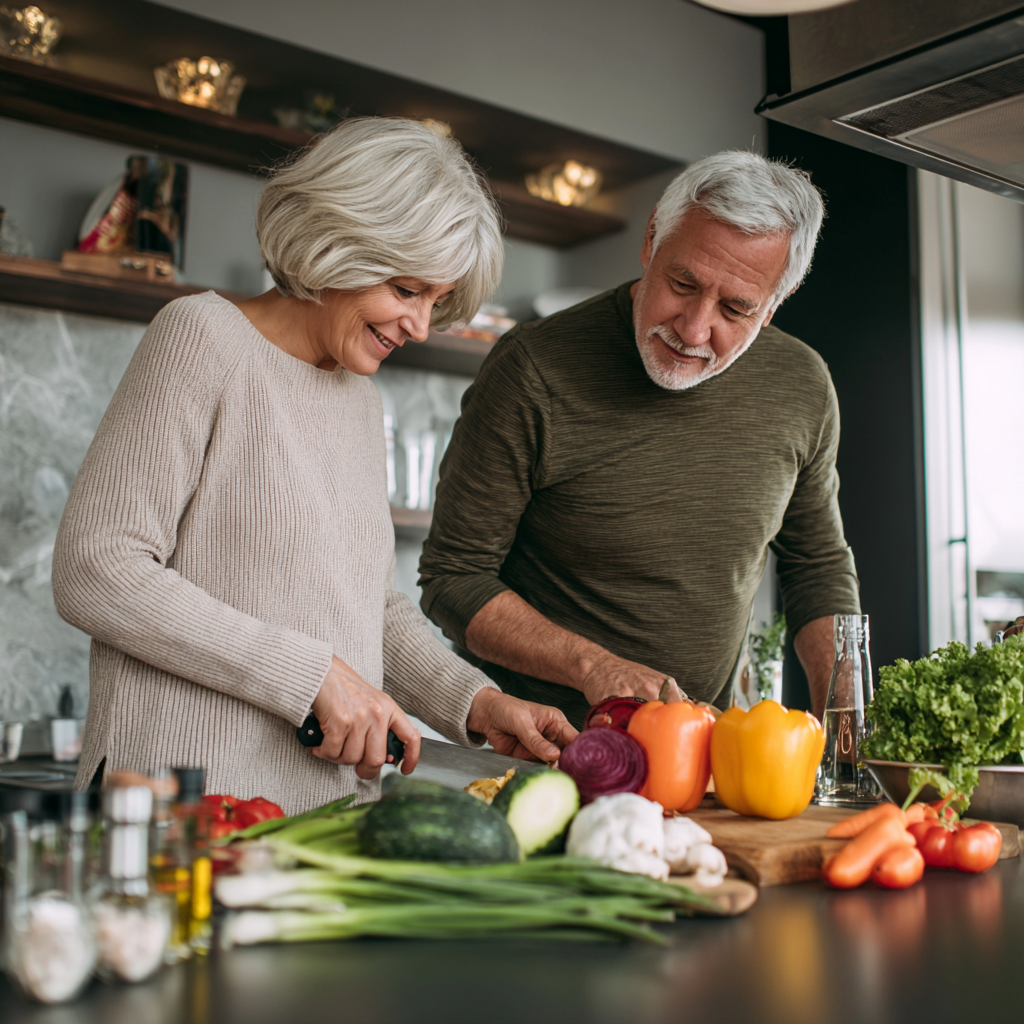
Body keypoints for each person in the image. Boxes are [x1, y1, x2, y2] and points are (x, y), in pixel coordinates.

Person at [52, 118, 575, 814]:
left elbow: (371, 609)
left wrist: (477, 702)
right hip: (183, 810)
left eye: (435, 301)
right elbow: (97, 567)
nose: (420, 326)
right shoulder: (203, 337)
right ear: (339, 245)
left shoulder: (361, 402)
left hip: (322, 817)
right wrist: (309, 675)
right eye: (405, 289)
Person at [419, 151, 861, 730]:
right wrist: (592, 667)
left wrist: (852, 731)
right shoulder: (533, 367)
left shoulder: (801, 384)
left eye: (736, 308)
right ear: (652, 238)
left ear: (778, 300)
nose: (694, 329)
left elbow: (816, 567)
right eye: (683, 283)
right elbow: (453, 576)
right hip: (536, 750)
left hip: (700, 759)